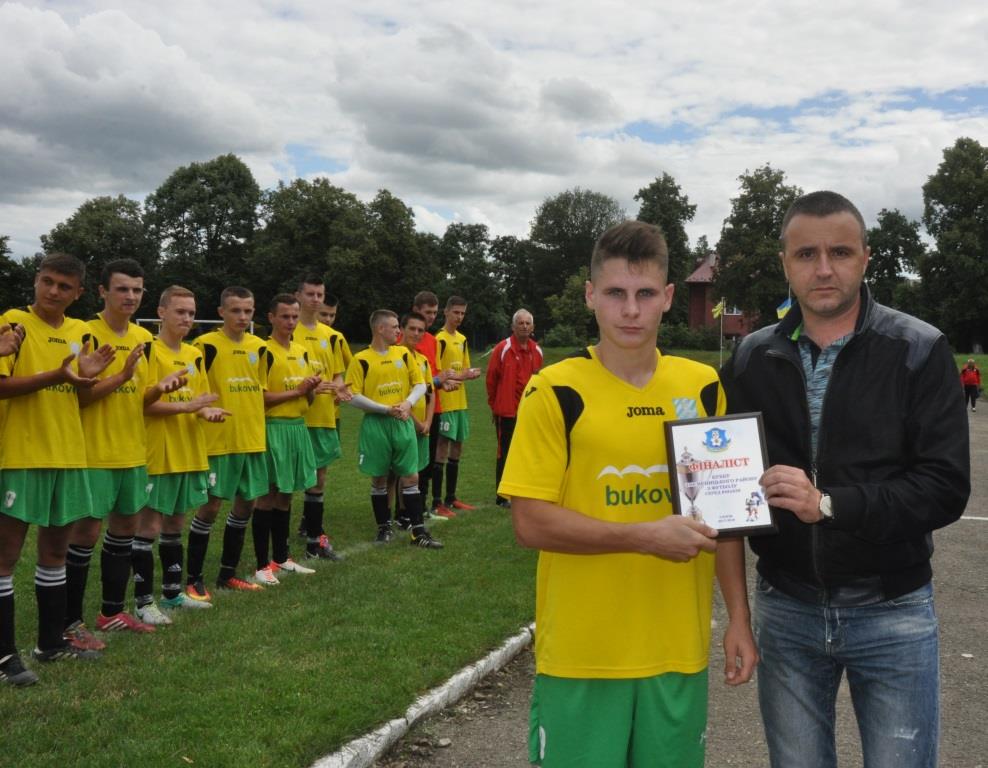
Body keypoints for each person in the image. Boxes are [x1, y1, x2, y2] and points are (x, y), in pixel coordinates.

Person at [720, 191, 969, 768]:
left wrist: (829, 504)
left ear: (866, 257)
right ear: (785, 263)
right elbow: (726, 486)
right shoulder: (751, 358)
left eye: (840, 252)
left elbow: (944, 487)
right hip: (786, 608)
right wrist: (738, 616)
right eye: (806, 254)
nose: (824, 269)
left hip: (893, 609)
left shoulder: (918, 348)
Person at [499, 221, 756, 767]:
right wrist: (642, 536)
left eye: (645, 294)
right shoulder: (555, 389)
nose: (631, 310)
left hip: (677, 650)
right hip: (583, 654)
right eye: (616, 293)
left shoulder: (702, 385)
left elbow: (724, 517)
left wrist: (739, 617)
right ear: (591, 295)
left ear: (668, 297)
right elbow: (530, 522)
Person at [0, 253, 115, 685]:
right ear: (36, 280)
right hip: (21, 453)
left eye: (64, 286)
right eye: (47, 281)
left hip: (68, 453)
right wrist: (57, 375)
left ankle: (50, 643)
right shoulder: (12, 322)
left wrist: (89, 379)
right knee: (5, 556)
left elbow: (80, 398)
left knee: (54, 553)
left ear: (78, 293)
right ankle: (4, 657)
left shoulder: (80, 332)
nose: (53, 291)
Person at [67, 260, 185, 638]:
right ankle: (70, 621)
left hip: (134, 451)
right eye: (122, 289)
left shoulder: (143, 338)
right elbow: (80, 398)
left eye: (136, 289)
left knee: (124, 531)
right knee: (85, 535)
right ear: (102, 291)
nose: (130, 296)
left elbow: (141, 400)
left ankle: (112, 612)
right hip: (94, 452)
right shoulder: (85, 333)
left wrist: (158, 389)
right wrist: (120, 376)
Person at [132, 286, 229, 622]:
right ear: (161, 313)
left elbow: (197, 400)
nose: (187, 318)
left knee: (175, 521)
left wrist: (206, 411)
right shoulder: (148, 350)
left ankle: (173, 594)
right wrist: (188, 407)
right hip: (157, 450)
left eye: (191, 313)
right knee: (150, 524)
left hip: (189, 449)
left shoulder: (193, 354)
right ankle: (143, 602)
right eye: (180, 312)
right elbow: (141, 403)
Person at [186, 286, 269, 597]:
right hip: (218, 440)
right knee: (210, 507)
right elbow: (194, 391)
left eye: (248, 311)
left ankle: (228, 574)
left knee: (246, 504)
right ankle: (193, 578)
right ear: (221, 312)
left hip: (252, 438)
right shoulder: (204, 345)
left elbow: (259, 390)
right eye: (236, 310)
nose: (242, 316)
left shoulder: (260, 347)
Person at [344, 310, 441, 549]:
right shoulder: (361, 359)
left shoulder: (403, 354)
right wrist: (384, 409)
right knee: (380, 477)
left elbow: (420, 384)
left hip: (402, 422)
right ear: (380, 329)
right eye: (395, 326)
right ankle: (384, 527)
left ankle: (418, 532)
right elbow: (352, 396)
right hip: (376, 424)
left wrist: (407, 403)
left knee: (411, 476)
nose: (399, 331)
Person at [250, 294, 320, 585]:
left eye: (294, 316)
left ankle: (281, 557)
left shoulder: (302, 352)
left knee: (287, 493)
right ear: (271, 318)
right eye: (285, 316)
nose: (291, 322)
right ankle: (261, 564)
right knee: (267, 495)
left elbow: (307, 399)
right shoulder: (264, 351)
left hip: (297, 428)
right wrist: (298, 391)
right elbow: (260, 398)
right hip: (273, 428)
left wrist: (311, 389)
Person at [293, 277, 351, 560]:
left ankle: (315, 539)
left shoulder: (331, 336)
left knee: (319, 478)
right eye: (310, 294)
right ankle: (275, 548)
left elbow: (338, 373)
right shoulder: (289, 330)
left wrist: (338, 387)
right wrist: (306, 388)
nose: (316, 299)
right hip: (293, 417)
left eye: (320, 294)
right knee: (280, 485)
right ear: (298, 295)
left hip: (324, 416)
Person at [486, 308, 543, 508]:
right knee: (505, 452)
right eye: (520, 323)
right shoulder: (503, 348)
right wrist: (495, 406)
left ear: (533, 327)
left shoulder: (537, 351)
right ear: (513, 326)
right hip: (507, 411)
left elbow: (539, 382)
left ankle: (523, 491)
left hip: (529, 412)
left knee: (526, 452)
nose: (524, 326)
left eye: (528, 323)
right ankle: (502, 496)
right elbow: (491, 379)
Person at [432, 296, 481, 515]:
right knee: (441, 448)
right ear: (446, 312)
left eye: (462, 313)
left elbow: (464, 369)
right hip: (445, 403)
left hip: (461, 402)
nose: (459, 317)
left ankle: (451, 498)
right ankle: (436, 501)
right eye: (456, 312)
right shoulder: (439, 339)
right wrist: (462, 376)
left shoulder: (462, 339)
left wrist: (470, 374)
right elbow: (437, 374)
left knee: (458, 447)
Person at [395, 311, 437, 530]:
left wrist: (427, 422)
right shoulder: (394, 357)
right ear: (401, 329)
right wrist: (417, 422)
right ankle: (400, 515)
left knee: (416, 471)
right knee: (401, 471)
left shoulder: (422, 360)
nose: (416, 333)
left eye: (421, 330)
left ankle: (410, 513)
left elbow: (430, 394)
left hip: (422, 425)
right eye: (412, 328)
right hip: (402, 421)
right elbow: (397, 397)